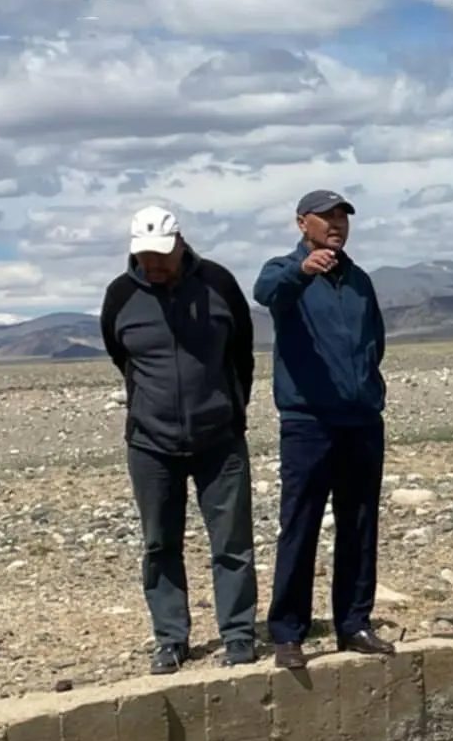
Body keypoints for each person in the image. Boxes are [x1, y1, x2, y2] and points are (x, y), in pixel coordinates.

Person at [99, 205, 259, 674]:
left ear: (181, 244)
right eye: (144, 255)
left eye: (161, 254)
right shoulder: (120, 296)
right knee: (159, 544)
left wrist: (229, 409)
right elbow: (120, 355)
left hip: (220, 441)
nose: (153, 263)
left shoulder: (218, 284)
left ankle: (238, 634)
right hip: (150, 444)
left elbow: (242, 352)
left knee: (232, 543)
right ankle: (170, 639)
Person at [253, 189, 394, 670]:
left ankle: (354, 624)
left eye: (342, 217)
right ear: (302, 223)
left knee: (359, 525)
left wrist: (368, 388)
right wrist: (302, 270)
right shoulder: (284, 271)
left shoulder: (359, 281)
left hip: (361, 420)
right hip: (308, 422)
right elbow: (265, 292)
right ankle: (288, 633)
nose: (337, 224)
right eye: (326, 217)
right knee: (301, 524)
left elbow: (374, 340)